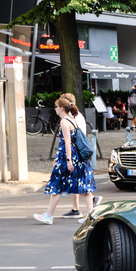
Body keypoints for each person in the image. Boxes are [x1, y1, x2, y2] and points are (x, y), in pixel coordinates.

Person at [34, 97, 98, 225]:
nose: (55, 109)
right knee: (84, 187)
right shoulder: (72, 120)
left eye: (56, 106)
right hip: (78, 158)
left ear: (62, 108)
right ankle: (91, 215)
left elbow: (67, 142)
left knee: (56, 184)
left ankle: (48, 215)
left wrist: (68, 160)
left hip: (68, 157)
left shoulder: (64, 121)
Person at [56, 93, 103, 219]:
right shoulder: (76, 115)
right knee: (77, 183)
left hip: (75, 155)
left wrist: (68, 159)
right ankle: (76, 208)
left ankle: (91, 206)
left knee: (79, 185)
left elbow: (69, 141)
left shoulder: (68, 119)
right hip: (78, 155)